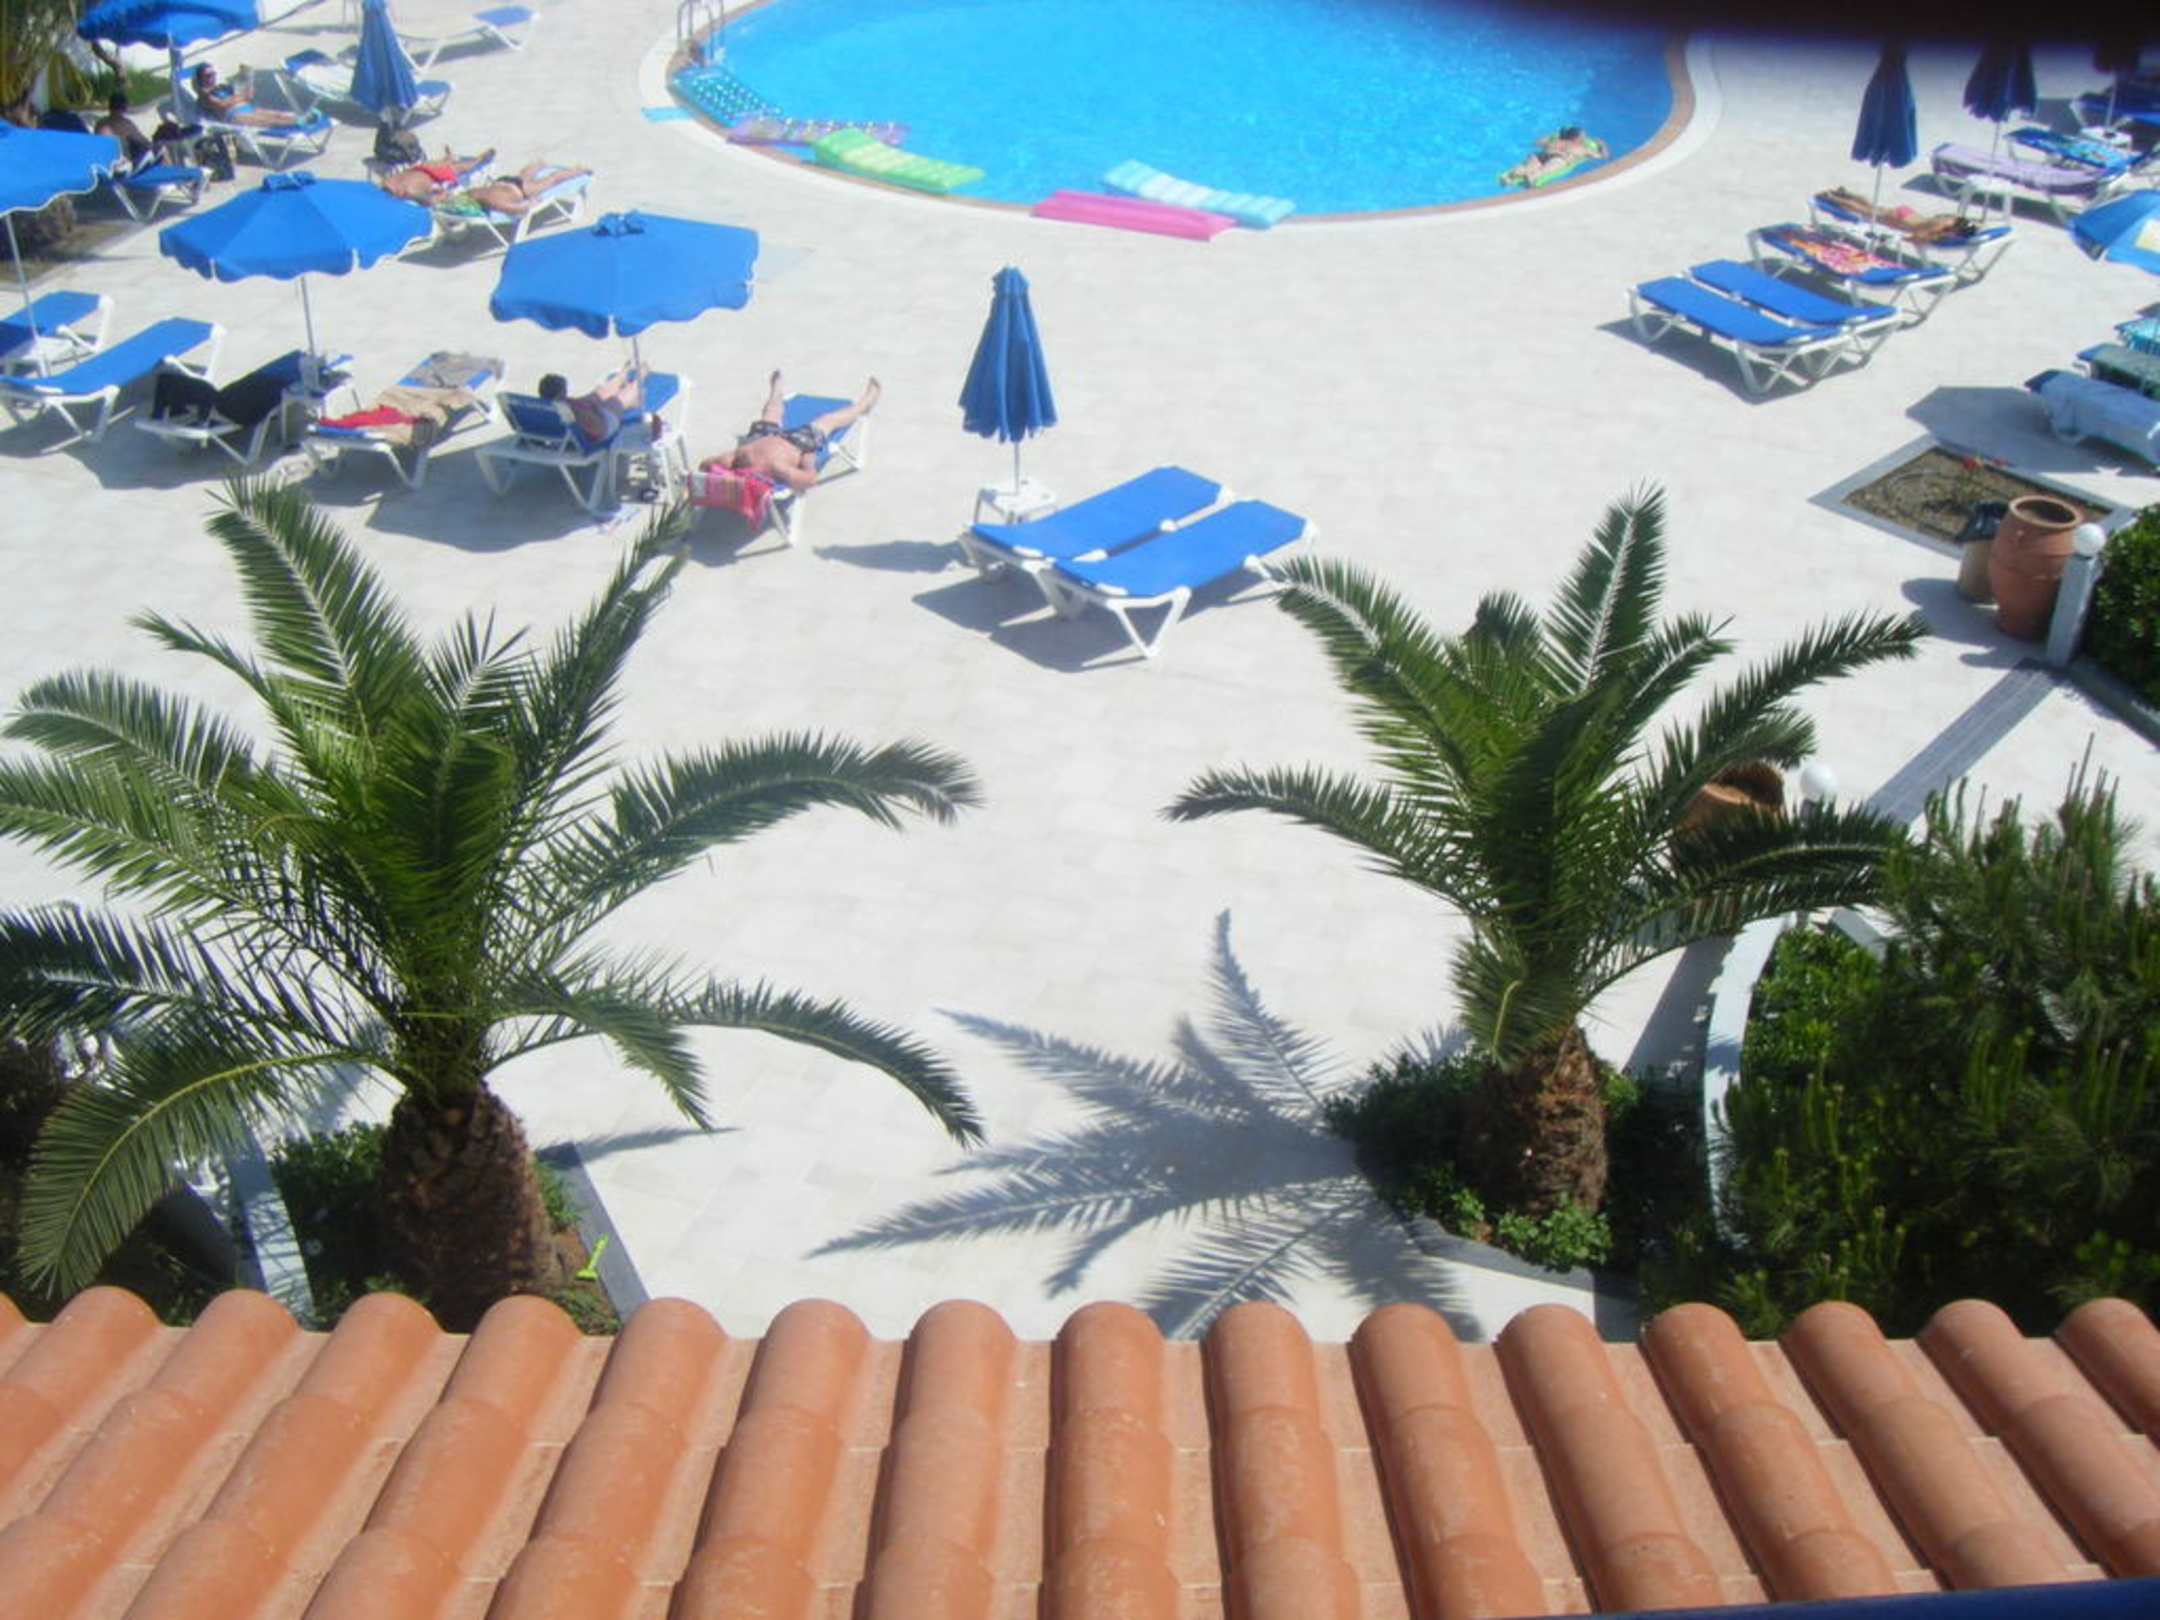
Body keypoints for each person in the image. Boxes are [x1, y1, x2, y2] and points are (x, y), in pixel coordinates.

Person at [698, 372, 880, 498]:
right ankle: (864, 404)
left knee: (771, 412)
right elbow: (810, 480)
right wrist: (808, 462)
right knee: (828, 420)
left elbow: (704, 466)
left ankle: (777, 391)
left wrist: (724, 470)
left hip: (760, 439)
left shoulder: (740, 457)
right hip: (797, 444)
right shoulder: (777, 467)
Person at [538, 363, 649, 444]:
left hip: (567, 437)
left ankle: (620, 378)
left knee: (596, 396)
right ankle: (638, 381)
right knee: (617, 401)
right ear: (562, 391)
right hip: (598, 431)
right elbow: (593, 424)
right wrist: (597, 409)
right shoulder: (568, 409)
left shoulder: (541, 408)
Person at [191, 63, 301, 128]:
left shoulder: (222, 87)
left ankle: (303, 120)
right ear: (201, 78)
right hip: (234, 116)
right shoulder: (203, 96)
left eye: (213, 74)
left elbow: (248, 97)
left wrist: (248, 83)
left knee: (279, 115)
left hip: (247, 108)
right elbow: (222, 105)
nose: (212, 77)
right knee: (270, 122)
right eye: (208, 75)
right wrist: (240, 97)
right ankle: (299, 124)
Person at [459, 163, 592, 214]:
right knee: (523, 176)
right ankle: (538, 164)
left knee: (553, 179)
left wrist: (531, 203)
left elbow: (515, 209)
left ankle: (580, 170)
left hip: (519, 190)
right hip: (502, 182)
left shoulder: (491, 201)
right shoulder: (472, 193)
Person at [380, 147, 496, 202]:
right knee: (443, 165)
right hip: (421, 169)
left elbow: (433, 200)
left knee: (460, 168)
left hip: (432, 175)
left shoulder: (410, 192)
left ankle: (479, 159)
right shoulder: (388, 182)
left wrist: (441, 192)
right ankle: (449, 158)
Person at [1505, 125, 1607, 187]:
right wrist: (1602, 145)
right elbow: (1603, 156)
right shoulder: (1582, 148)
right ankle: (1530, 177)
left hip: (1542, 154)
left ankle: (1513, 174)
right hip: (1559, 158)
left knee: (1528, 167)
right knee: (1542, 172)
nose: (1585, 138)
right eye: (1583, 137)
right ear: (1576, 138)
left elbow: (1538, 143)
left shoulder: (1557, 140)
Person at [95, 92, 155, 170]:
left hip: (103, 163)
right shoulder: (126, 124)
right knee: (160, 148)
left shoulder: (100, 123)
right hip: (124, 163)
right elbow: (144, 142)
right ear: (125, 107)